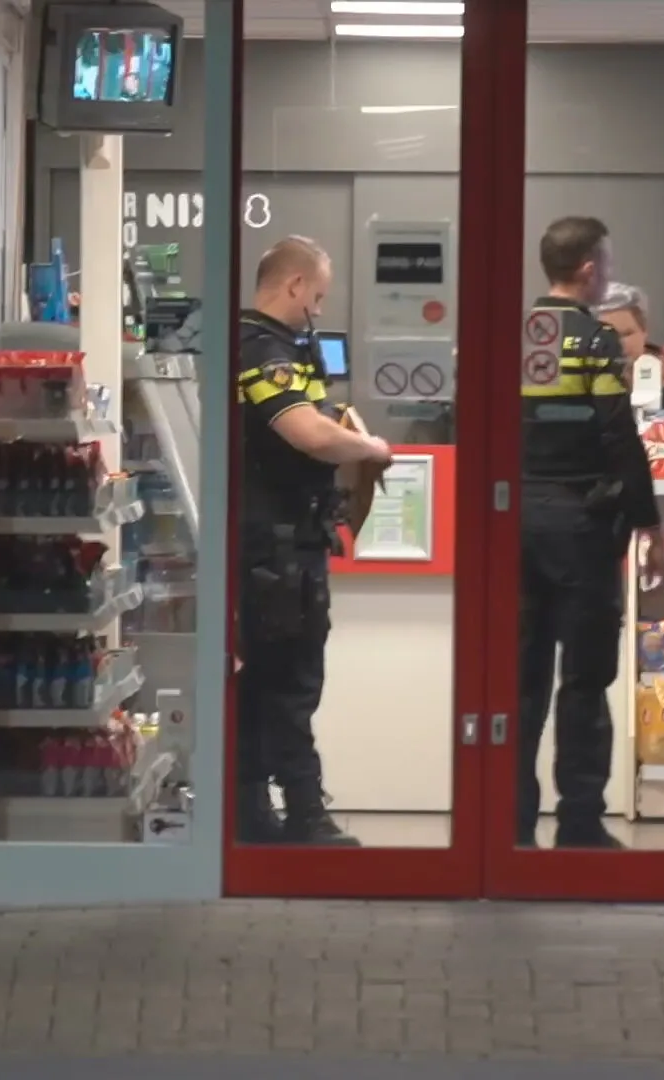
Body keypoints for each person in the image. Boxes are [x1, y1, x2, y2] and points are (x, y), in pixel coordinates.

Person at [518, 217, 664, 850]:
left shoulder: (515, 333)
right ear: (587, 268)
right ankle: (580, 820)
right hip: (581, 528)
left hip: (516, 524)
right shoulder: (596, 339)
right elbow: (617, 434)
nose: (607, 273)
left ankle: (510, 824)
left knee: (519, 680)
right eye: (604, 263)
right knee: (584, 678)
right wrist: (648, 522)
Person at [235, 236, 392, 846]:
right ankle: (304, 816)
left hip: (284, 542)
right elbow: (308, 434)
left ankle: (252, 812)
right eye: (317, 295)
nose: (318, 310)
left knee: (270, 681)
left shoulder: (279, 347)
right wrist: (372, 448)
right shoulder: (262, 347)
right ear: (294, 285)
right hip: (274, 548)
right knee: (291, 681)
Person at [595, 282, 664, 387]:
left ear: (644, 331)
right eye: (607, 335)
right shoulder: (582, 379)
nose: (619, 343)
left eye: (626, 334)